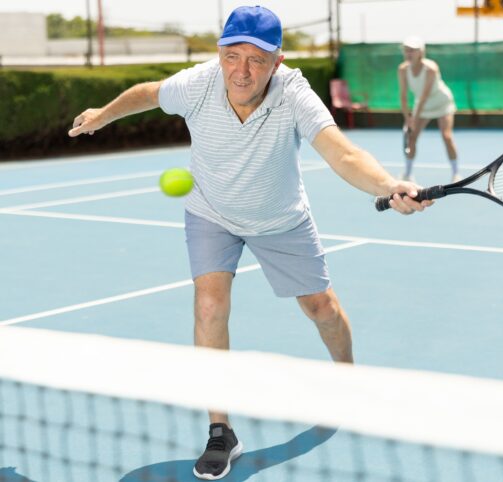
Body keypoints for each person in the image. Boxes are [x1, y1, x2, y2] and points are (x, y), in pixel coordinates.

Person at [68, 6, 432, 480]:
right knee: (208, 306)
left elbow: (340, 151)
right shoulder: (197, 83)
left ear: (277, 62)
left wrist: (387, 184)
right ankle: (221, 431)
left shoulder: (294, 94)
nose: (241, 71)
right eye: (232, 56)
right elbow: (147, 94)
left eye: (256, 60)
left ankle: (348, 377)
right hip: (212, 215)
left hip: (280, 219)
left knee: (321, 307)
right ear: (219, 53)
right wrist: (103, 114)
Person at [398, 35, 460, 183]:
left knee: (447, 136)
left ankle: (456, 174)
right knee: (412, 138)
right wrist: (408, 119)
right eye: (406, 50)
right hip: (422, 105)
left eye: (412, 50)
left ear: (421, 52)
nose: (409, 53)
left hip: (441, 103)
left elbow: (424, 96)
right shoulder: (402, 70)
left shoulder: (431, 68)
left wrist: (414, 118)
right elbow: (403, 96)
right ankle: (408, 174)